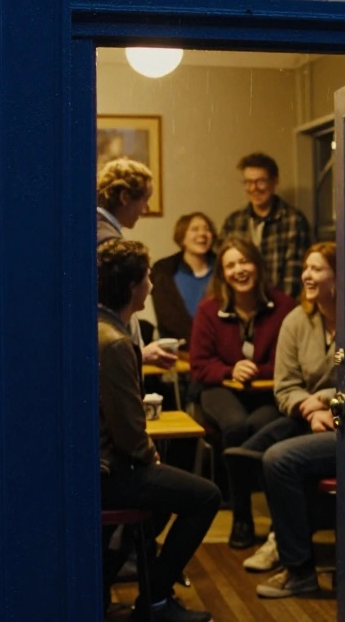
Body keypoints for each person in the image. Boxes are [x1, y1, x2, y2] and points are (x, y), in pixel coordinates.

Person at [97, 239, 220, 622]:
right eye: (148, 277)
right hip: (109, 471)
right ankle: (156, 601)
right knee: (205, 496)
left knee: (165, 495)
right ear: (133, 286)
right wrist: (151, 457)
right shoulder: (115, 343)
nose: (151, 284)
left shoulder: (100, 327)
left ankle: (115, 590)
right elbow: (130, 436)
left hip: (101, 465)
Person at [188, 236, 296, 549]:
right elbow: (199, 364)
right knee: (235, 426)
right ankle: (242, 516)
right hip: (219, 389)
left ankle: (277, 522)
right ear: (223, 273)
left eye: (245, 261)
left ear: (258, 266)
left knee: (257, 426)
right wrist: (229, 370)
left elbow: (288, 361)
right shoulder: (209, 310)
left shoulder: (285, 307)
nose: (239, 270)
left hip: (268, 393)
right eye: (231, 265)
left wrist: (256, 371)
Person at [251, 242, 340, 598]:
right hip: (309, 420)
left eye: (317, 269)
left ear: (339, 276)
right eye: (306, 268)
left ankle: (299, 569)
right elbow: (285, 386)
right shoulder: (296, 321)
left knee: (279, 459)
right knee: (262, 449)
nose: (307, 276)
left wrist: (326, 400)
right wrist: (310, 408)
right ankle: (285, 549)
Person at [96, 158, 176, 370]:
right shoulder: (106, 241)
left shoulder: (98, 229)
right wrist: (137, 353)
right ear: (124, 197)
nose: (146, 208)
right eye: (144, 199)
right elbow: (114, 309)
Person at [220, 152, 311, 298]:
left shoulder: (294, 220)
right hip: (240, 306)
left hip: (279, 306)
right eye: (248, 182)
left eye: (260, 182)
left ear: (274, 182)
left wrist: (278, 308)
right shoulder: (234, 222)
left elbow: (293, 279)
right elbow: (223, 271)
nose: (254, 188)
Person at [150, 212, 217, 344]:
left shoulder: (223, 269)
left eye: (207, 229)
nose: (202, 234)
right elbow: (166, 318)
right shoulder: (163, 271)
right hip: (177, 349)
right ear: (182, 238)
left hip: (216, 348)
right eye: (195, 229)